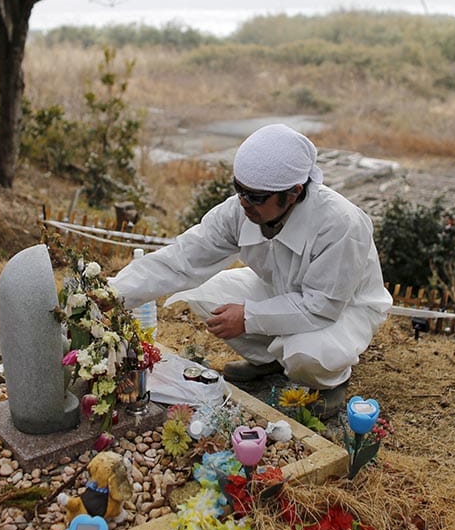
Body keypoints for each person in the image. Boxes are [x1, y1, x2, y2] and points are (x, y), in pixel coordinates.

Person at [110, 123, 392, 416]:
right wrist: (112, 293)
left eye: (256, 196)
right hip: (284, 292)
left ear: (294, 192)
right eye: (239, 189)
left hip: (343, 310)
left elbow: (321, 307)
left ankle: (331, 382)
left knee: (306, 354)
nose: (244, 202)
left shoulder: (341, 225)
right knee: (206, 295)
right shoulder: (240, 210)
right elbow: (181, 259)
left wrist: (249, 318)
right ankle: (269, 361)